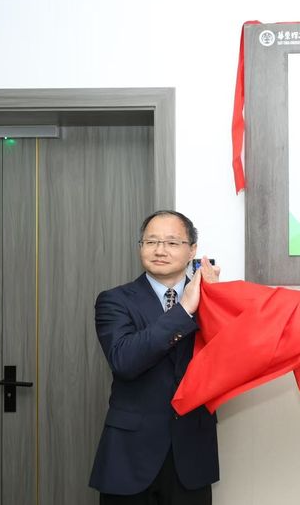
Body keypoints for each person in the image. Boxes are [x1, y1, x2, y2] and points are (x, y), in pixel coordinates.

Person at [89, 210, 220, 505]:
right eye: (151, 242)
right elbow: (125, 360)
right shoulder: (114, 300)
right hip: (129, 456)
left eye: (172, 242)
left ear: (192, 251)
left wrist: (217, 303)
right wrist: (184, 310)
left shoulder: (212, 299)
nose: (160, 250)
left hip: (192, 453)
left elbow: (229, 360)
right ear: (141, 247)